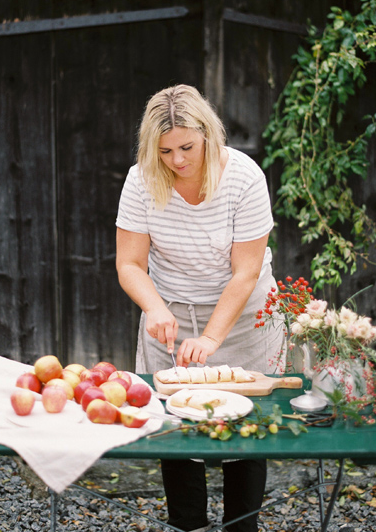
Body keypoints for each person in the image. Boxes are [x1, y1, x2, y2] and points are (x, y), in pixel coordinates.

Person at [114, 84, 283, 532]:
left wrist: (211, 337)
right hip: (172, 306)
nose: (177, 160)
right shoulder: (141, 179)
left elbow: (245, 273)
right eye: (165, 150)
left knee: (246, 423)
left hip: (245, 313)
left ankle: (241, 526)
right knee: (176, 422)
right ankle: (186, 524)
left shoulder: (244, 177)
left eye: (187, 146)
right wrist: (154, 308)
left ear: (208, 134)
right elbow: (129, 263)